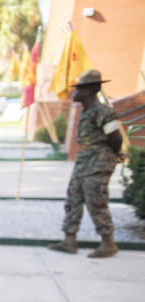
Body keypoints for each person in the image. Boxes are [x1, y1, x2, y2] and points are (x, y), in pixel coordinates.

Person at [48, 70, 123, 258]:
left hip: (99, 162)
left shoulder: (103, 112)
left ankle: (108, 243)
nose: (74, 92)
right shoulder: (87, 111)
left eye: (79, 89)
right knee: (73, 198)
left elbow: (115, 138)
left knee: (96, 201)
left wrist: (112, 154)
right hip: (85, 161)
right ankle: (69, 240)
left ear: (90, 90)